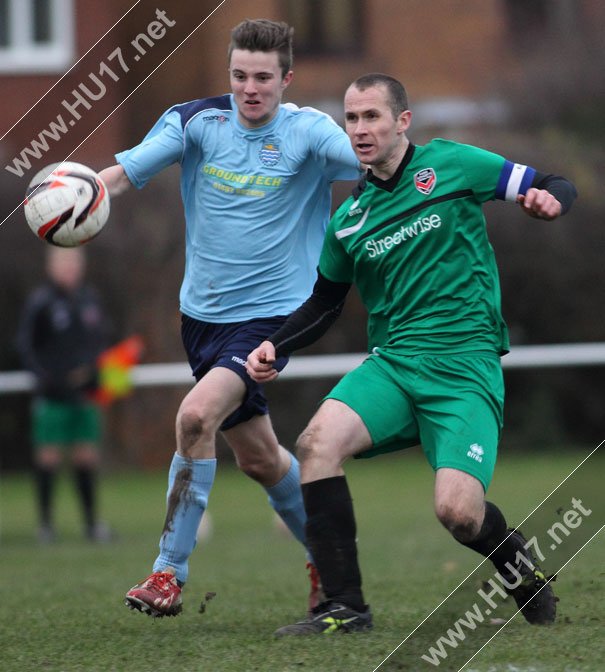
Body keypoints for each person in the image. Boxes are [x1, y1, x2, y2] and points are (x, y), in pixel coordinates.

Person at [246, 73, 578, 635]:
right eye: (351, 119)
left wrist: (549, 200)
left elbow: (550, 180)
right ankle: (345, 608)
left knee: (458, 514)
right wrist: (277, 345)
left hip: (465, 365)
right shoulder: (349, 220)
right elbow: (325, 303)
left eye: (371, 116)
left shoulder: (452, 165)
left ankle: (520, 569)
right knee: (316, 445)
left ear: (402, 121)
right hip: (395, 364)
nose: (360, 129)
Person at [97, 19, 361, 618]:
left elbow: (377, 161)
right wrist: (77, 193)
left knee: (195, 416)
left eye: (264, 78)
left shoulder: (309, 132)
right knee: (261, 459)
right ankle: (327, 557)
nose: (250, 88)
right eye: (240, 75)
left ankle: (168, 573)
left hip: (271, 317)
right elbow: (124, 174)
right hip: (201, 318)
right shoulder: (195, 121)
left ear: (286, 79)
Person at [16, 246, 112, 543]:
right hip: (52, 395)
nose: (70, 269)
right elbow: (24, 346)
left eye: (74, 263)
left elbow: (101, 341)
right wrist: (47, 379)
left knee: (86, 457)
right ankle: (45, 525)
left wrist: (96, 373)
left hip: (84, 396)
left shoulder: (89, 299)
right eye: (63, 263)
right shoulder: (40, 302)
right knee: (49, 458)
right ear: (51, 267)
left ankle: (92, 525)